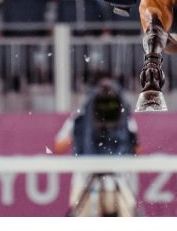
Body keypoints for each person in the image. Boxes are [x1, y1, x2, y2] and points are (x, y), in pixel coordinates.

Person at [53, 78, 138, 217]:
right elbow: (58, 147)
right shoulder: (79, 118)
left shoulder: (124, 118)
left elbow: (136, 149)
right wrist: (80, 134)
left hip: (118, 180)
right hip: (85, 180)